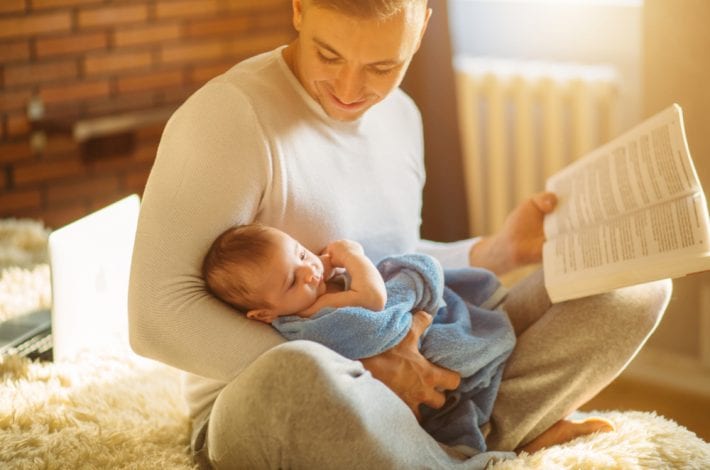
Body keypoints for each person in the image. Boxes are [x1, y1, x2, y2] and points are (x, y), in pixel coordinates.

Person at [127, 0, 672, 468]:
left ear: (422, 30)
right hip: (276, 403)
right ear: (298, 8)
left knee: (634, 288)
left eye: (383, 66)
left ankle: (461, 444)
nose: (349, 89)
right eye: (328, 55)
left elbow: (397, 261)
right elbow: (156, 316)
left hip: (425, 374)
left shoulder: (402, 118)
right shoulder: (227, 117)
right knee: (297, 376)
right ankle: (482, 448)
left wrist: (498, 252)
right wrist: (363, 366)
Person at [202, 223, 517, 457]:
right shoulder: (310, 321)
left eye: (300, 254)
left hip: (420, 368)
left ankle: (504, 431)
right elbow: (375, 303)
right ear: (263, 314)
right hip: (420, 371)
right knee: (468, 359)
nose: (309, 271)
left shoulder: (311, 294)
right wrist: (354, 257)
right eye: (291, 281)